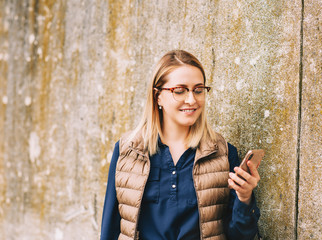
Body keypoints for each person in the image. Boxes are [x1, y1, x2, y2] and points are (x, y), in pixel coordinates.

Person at [100, 50, 261, 240]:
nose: (192, 99)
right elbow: (109, 228)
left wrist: (244, 198)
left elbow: (240, 236)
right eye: (180, 90)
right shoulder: (127, 150)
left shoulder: (223, 153)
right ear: (157, 96)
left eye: (198, 90)